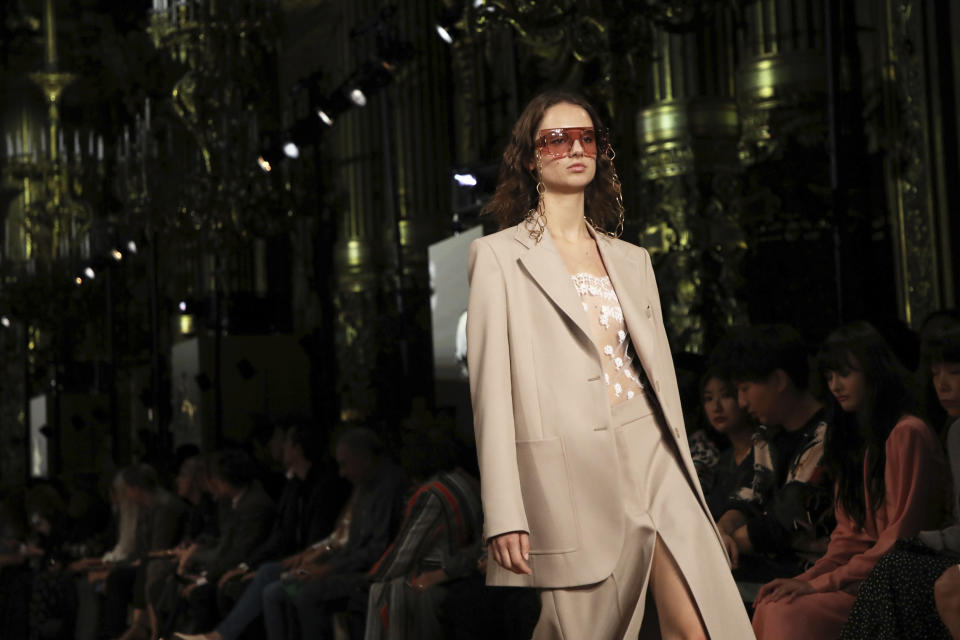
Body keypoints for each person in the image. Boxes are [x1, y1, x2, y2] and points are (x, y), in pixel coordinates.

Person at [466, 89, 753, 639]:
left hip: (653, 445)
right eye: (556, 139)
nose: (575, 148)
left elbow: (657, 373)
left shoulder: (632, 259)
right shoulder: (499, 257)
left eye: (587, 137)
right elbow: (490, 396)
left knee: (699, 625)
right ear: (530, 157)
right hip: (568, 466)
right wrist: (504, 512)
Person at [752, 321, 946, 639]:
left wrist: (818, 584)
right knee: (774, 602)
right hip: (862, 579)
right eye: (829, 377)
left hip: (901, 582)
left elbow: (899, 540)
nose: (835, 386)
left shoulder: (906, 433)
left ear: (873, 372)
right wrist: (805, 582)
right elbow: (849, 538)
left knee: (787, 614)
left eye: (845, 374)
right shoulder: (857, 442)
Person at [839, 311, 960, 639]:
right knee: (894, 571)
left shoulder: (916, 432)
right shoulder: (951, 428)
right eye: (935, 374)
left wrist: (922, 540)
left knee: (895, 570)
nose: (942, 384)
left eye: (954, 372)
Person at [715, 325, 833, 582]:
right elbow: (747, 497)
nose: (742, 402)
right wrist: (721, 530)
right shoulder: (765, 437)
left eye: (745, 388)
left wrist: (724, 544)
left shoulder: (827, 435)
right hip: (766, 572)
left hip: (813, 577)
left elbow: (786, 521)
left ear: (779, 380)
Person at [699, 364, 758, 520]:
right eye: (708, 399)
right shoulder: (722, 462)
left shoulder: (765, 453)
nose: (716, 407)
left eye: (726, 395)